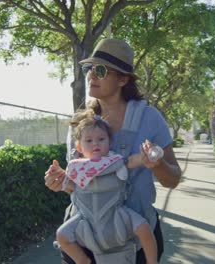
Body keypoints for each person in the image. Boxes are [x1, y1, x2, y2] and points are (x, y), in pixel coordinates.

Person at [45, 38, 182, 263]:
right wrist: (59, 182)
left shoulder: (150, 119)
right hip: (85, 239)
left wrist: (158, 165)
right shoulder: (79, 124)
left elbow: (173, 179)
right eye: (90, 69)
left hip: (135, 240)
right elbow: (76, 185)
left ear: (123, 79)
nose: (91, 75)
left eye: (101, 70)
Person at [56, 109, 159, 264]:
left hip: (116, 213)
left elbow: (132, 161)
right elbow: (68, 185)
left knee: (144, 228)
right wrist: (56, 176)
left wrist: (146, 156)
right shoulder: (76, 167)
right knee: (61, 235)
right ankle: (82, 260)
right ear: (79, 147)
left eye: (101, 139)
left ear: (110, 142)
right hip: (85, 216)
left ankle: (152, 262)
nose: (95, 143)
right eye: (89, 141)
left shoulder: (114, 160)